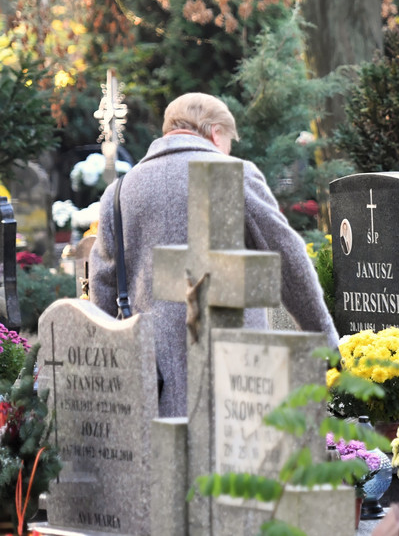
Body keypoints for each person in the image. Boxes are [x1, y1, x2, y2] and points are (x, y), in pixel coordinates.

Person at [90, 93, 339, 417]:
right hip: (235, 367)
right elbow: (288, 260)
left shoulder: (119, 192)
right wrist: (325, 340)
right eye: (229, 141)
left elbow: (103, 283)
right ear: (215, 131)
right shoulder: (234, 173)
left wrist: (109, 366)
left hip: (151, 373)